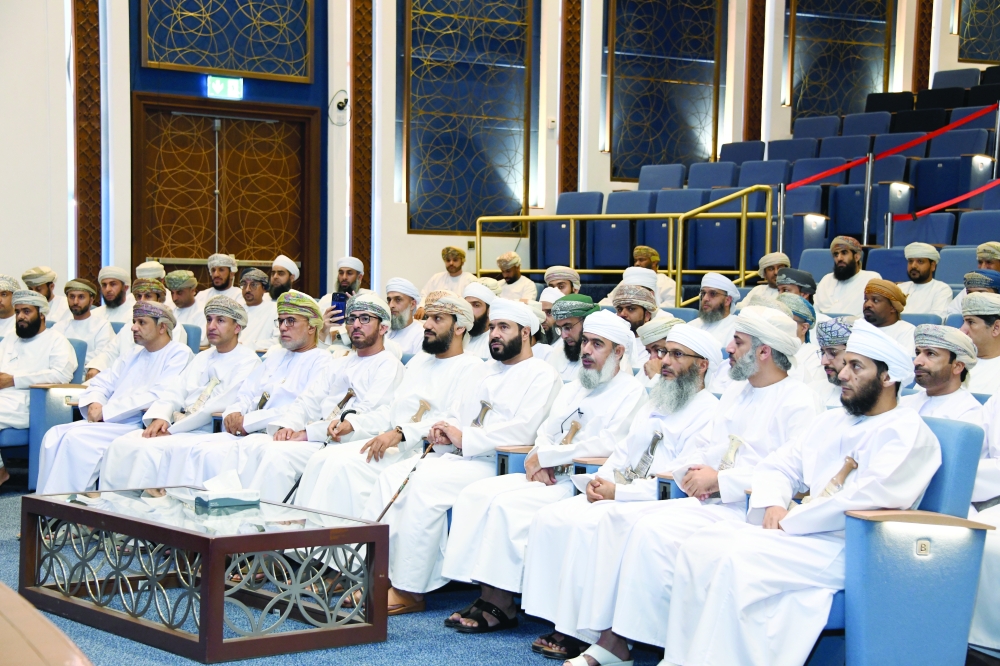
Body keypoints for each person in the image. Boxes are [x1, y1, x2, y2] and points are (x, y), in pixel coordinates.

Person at [535, 306, 823, 664]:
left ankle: (648, 646)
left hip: (746, 508)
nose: (729, 349)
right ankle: (612, 639)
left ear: (763, 351)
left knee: (649, 529)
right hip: (709, 500)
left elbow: (792, 474)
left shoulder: (799, 400)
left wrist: (721, 480)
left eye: (737, 342)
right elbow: (707, 450)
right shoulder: (737, 393)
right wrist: (694, 472)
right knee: (622, 521)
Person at [660, 319, 939, 666]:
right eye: (845, 364)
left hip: (851, 546)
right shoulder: (832, 421)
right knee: (701, 546)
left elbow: (868, 500)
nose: (842, 374)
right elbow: (779, 466)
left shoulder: (907, 432)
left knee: (737, 559)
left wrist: (793, 518)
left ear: (888, 377)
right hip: (803, 533)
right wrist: (774, 504)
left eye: (856, 367)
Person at [441, 310, 647, 632]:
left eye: (597, 344)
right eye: (586, 342)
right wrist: (538, 454)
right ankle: (486, 593)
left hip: (578, 481)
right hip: (548, 473)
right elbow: (545, 431)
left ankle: (502, 603)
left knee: (507, 506)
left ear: (618, 351)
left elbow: (609, 444)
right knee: (476, 494)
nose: (586, 350)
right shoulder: (575, 386)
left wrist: (549, 456)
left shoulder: (631, 391)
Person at [371, 299, 561, 615]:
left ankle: (409, 588)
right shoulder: (485, 370)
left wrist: (466, 438)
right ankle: (377, 576)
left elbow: (525, 430)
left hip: (498, 464)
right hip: (462, 457)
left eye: (504, 327)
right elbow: (458, 413)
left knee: (425, 486)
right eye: (493, 327)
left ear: (525, 332)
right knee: (390, 477)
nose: (494, 334)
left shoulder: (542, 374)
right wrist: (445, 429)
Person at [295, 296, 486, 517]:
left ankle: (343, 536)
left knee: (344, 466)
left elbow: (451, 420)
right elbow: (391, 410)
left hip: (423, 450)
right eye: (428, 318)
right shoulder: (419, 361)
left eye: (437, 319)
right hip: (394, 444)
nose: (426, 324)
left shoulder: (471, 367)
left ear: (460, 327)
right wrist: (354, 424)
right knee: (322, 458)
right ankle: (305, 532)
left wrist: (401, 433)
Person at [229, 293, 405, 502]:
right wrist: (288, 426)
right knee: (269, 447)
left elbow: (366, 413)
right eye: (351, 319)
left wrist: (308, 433)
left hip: (347, 442)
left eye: (365, 318)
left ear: (383, 327)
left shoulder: (388, 365)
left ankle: (272, 518)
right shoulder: (339, 362)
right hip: (319, 436)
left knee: (278, 456)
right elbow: (307, 401)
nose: (356, 325)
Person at [153, 291, 334, 490]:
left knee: (212, 455)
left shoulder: (323, 361)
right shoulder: (276, 356)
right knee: (193, 449)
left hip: (275, 433)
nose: (283, 327)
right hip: (247, 432)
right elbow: (246, 393)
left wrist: (247, 422)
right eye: (281, 321)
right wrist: (234, 412)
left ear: (311, 326)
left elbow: (300, 408)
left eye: (290, 321)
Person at [98, 296, 261, 490]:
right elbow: (175, 390)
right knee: (122, 444)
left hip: (206, 430)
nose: (211, 326)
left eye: (220, 320)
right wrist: (161, 417)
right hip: (181, 426)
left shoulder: (248, 361)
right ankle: (114, 503)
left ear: (237, 327)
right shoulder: (202, 357)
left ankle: (147, 502)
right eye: (209, 320)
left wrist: (174, 429)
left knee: (151, 448)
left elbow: (221, 404)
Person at [36, 300, 192, 494]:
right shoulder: (133, 353)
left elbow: (159, 395)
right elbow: (102, 382)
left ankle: (68, 503)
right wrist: (95, 402)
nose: (134, 328)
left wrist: (106, 411)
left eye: (142, 323)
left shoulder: (179, 353)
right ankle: (47, 502)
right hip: (110, 421)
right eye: (134, 322)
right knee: (53, 434)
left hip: (136, 423)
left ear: (162, 327)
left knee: (75, 439)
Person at [0, 290, 77, 487]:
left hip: (29, 402)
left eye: (26, 311)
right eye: (18, 312)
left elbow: (61, 375)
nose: (20, 317)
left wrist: (14, 380)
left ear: (41, 314)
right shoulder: (9, 339)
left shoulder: (57, 340)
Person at [85, 278, 189, 376]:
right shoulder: (130, 326)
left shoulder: (172, 327)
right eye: (139, 297)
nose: (142, 301)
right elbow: (111, 351)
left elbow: (174, 363)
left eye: (148, 296)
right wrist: (96, 367)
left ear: (159, 300)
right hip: (123, 377)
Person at [900, 325, 983, 426]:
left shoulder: (969, 414)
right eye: (918, 353)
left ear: (957, 366)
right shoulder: (902, 403)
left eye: (930, 354)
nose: (917, 361)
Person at [50, 278, 115, 366]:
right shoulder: (59, 326)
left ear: (91, 300)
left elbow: (103, 355)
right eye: (72, 297)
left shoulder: (102, 326)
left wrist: (68, 360)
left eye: (81, 297)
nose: (75, 302)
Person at [814, 236, 882, 316]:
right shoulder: (826, 280)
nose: (839, 258)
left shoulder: (871, 279)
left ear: (857, 256)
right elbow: (815, 310)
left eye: (844, 253)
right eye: (836, 254)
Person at [546, 294, 598, 381]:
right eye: (560, 328)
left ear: (586, 322)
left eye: (568, 327)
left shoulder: (603, 359)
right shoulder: (557, 354)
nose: (563, 336)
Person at [777, 292, 824, 385]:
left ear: (804, 328)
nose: (777, 324)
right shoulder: (766, 349)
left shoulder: (816, 357)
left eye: (785, 320)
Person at [810, 316, 856, 408]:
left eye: (833, 352)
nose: (823, 362)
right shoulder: (812, 390)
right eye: (823, 352)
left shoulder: (867, 399)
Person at [897, 242, 953, 318]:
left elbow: (937, 319)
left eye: (920, 261)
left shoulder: (941, 289)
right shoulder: (900, 288)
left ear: (932, 266)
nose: (913, 266)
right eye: (910, 261)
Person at [319, 256, 365, 346]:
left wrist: (339, 335)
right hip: (326, 347)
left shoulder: (368, 297)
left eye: (349, 273)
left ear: (359, 277)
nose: (344, 277)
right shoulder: (325, 299)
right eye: (341, 273)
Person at [961, 292, 1000, 395]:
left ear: (996, 328)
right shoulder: (953, 360)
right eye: (963, 322)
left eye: (971, 322)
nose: (962, 330)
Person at [948, 241, 1000, 315]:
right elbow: (952, 313)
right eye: (980, 262)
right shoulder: (973, 288)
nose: (983, 267)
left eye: (989, 262)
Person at [688, 272, 740, 345]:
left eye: (712, 294)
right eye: (703, 293)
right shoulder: (691, 326)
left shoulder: (737, 329)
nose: (705, 298)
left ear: (727, 300)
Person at [863, 279, 915, 352]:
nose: (867, 304)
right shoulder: (859, 328)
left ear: (893, 307)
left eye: (875, 300)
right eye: (866, 300)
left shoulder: (907, 332)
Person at [612, 284, 656, 369]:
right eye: (619, 309)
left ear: (647, 315)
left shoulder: (655, 346)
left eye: (631, 309)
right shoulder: (610, 341)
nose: (622, 314)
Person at [237, 268, 279, 351]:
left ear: (264, 289)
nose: (247, 289)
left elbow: (278, 341)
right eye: (244, 284)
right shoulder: (235, 310)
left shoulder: (275, 309)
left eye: (253, 285)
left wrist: (246, 345)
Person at [166, 270, 206, 347]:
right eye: (172, 293)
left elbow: (199, 342)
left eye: (179, 293)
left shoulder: (203, 312)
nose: (174, 298)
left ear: (193, 290)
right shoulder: (167, 309)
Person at [385, 278, 425, 356]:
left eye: (398, 300)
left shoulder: (421, 336)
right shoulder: (383, 330)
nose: (391, 305)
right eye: (389, 300)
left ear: (412, 304)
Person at [463, 279, 499, 360]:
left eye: (476, 305)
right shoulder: (456, 337)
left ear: (489, 310)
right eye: (466, 305)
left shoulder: (496, 342)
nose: (469, 310)